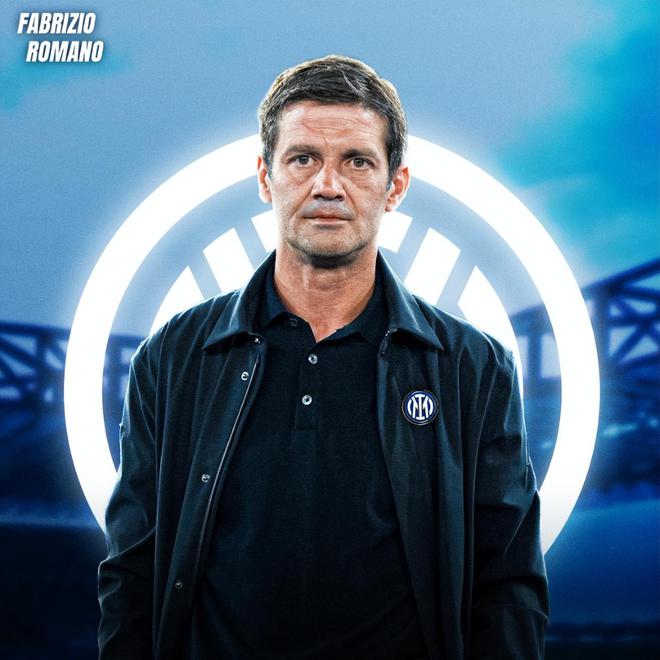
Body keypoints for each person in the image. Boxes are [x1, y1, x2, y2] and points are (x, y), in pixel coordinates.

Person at [98, 55, 549, 660]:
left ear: (396, 186)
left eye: (357, 161)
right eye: (303, 158)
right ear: (266, 177)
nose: (328, 186)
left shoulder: (474, 368)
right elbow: (132, 572)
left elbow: (508, 584)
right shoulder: (173, 357)